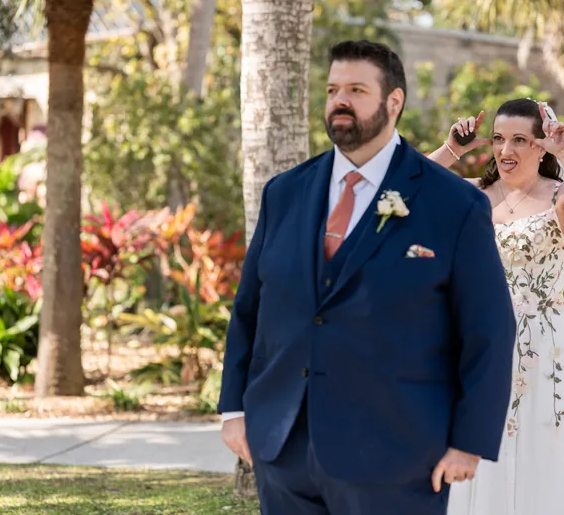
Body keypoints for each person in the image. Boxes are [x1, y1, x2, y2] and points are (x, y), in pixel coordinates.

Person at [217, 40, 517, 515]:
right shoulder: (285, 193)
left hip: (398, 453)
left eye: (357, 89)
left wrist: (469, 442)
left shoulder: (453, 203)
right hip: (284, 450)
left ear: (392, 102)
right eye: (333, 88)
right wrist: (234, 410)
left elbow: (489, 330)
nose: (340, 100)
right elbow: (251, 309)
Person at [429, 98, 564, 515]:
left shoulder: (562, 198)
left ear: (541, 145)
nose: (505, 150)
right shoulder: (471, 196)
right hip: (478, 341)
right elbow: (399, 194)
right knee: (483, 448)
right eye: (498, 139)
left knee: (547, 450)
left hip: (547, 348)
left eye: (520, 140)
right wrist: (452, 149)